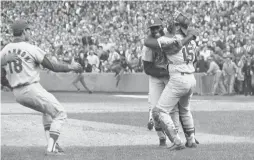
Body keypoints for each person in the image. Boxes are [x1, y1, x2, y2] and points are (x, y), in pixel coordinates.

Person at [1, 20, 82, 156]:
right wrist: (71, 67)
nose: (30, 32)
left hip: (18, 93)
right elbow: (53, 66)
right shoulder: (30, 48)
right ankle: (51, 149)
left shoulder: (4, 50)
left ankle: (52, 144)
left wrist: (11, 86)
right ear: (23, 31)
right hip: (31, 88)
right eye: (28, 30)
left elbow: (1, 77)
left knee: (47, 112)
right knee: (60, 113)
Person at [145, 11, 199, 150]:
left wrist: (182, 39)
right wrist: (190, 35)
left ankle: (177, 140)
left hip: (178, 78)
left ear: (176, 26)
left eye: (172, 23)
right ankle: (191, 140)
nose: (168, 25)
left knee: (159, 112)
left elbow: (150, 42)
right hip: (191, 77)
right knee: (185, 110)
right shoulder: (192, 40)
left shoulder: (169, 39)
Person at [142, 17, 180, 147]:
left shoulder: (169, 39)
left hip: (170, 76)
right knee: (154, 109)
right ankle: (161, 137)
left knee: (174, 108)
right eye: (152, 28)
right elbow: (147, 68)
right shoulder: (148, 46)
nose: (155, 30)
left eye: (157, 27)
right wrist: (164, 73)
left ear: (162, 27)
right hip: (156, 76)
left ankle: (177, 137)